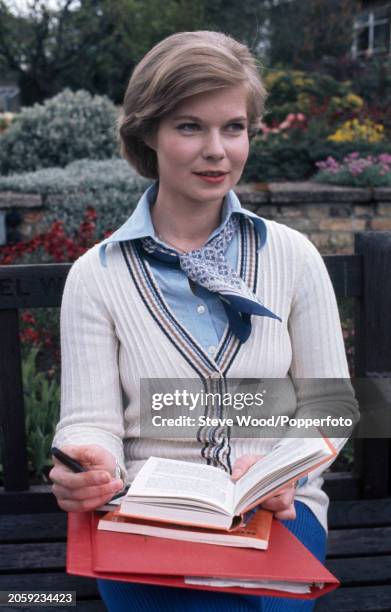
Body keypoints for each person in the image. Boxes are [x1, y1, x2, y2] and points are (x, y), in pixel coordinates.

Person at [50, 30, 358, 611]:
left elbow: (332, 406)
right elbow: (89, 423)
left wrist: (278, 469)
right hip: (143, 523)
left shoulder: (293, 257)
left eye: (233, 127)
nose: (217, 150)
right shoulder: (97, 274)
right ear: (149, 132)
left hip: (274, 517)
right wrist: (87, 464)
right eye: (190, 126)